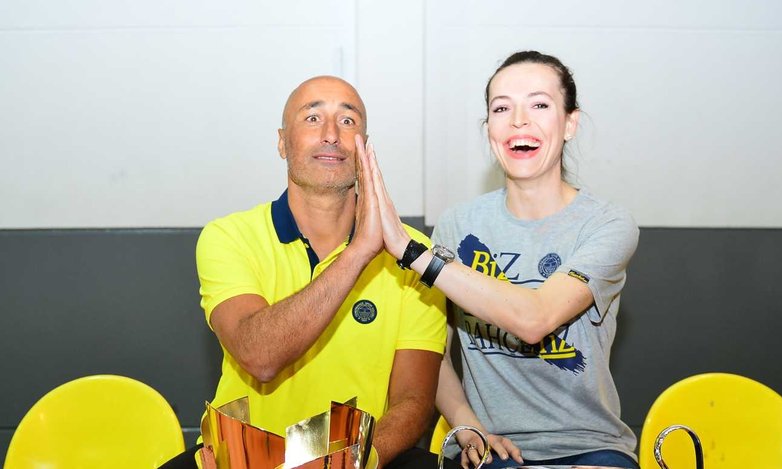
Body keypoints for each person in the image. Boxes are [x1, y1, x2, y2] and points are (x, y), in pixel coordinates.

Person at [363, 51, 640, 468]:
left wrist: (410, 251)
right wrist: (467, 424)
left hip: (589, 448)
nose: (518, 121)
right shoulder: (458, 224)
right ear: (489, 128)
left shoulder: (607, 224)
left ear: (570, 123)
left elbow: (534, 319)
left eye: (539, 105)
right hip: (493, 452)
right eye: (501, 108)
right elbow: (433, 352)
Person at [161, 75, 451, 469]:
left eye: (347, 121)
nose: (331, 134)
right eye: (312, 118)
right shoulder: (229, 236)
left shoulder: (413, 253)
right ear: (283, 142)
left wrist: (358, 461)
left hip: (358, 458)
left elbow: (412, 400)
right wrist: (359, 252)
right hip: (237, 459)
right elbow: (259, 356)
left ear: (364, 146)